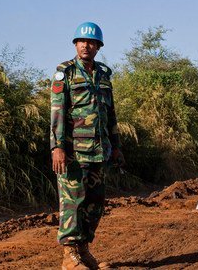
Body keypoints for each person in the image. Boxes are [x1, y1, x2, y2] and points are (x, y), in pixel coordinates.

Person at [50, 22, 124, 270]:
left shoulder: (103, 74)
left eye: (92, 42)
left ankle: (83, 250)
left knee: (95, 205)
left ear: (98, 47)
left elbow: (110, 114)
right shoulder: (65, 72)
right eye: (82, 41)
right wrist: (57, 147)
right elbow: (57, 113)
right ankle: (69, 257)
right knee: (72, 203)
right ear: (75, 44)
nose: (86, 45)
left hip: (99, 152)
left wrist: (116, 145)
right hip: (73, 153)